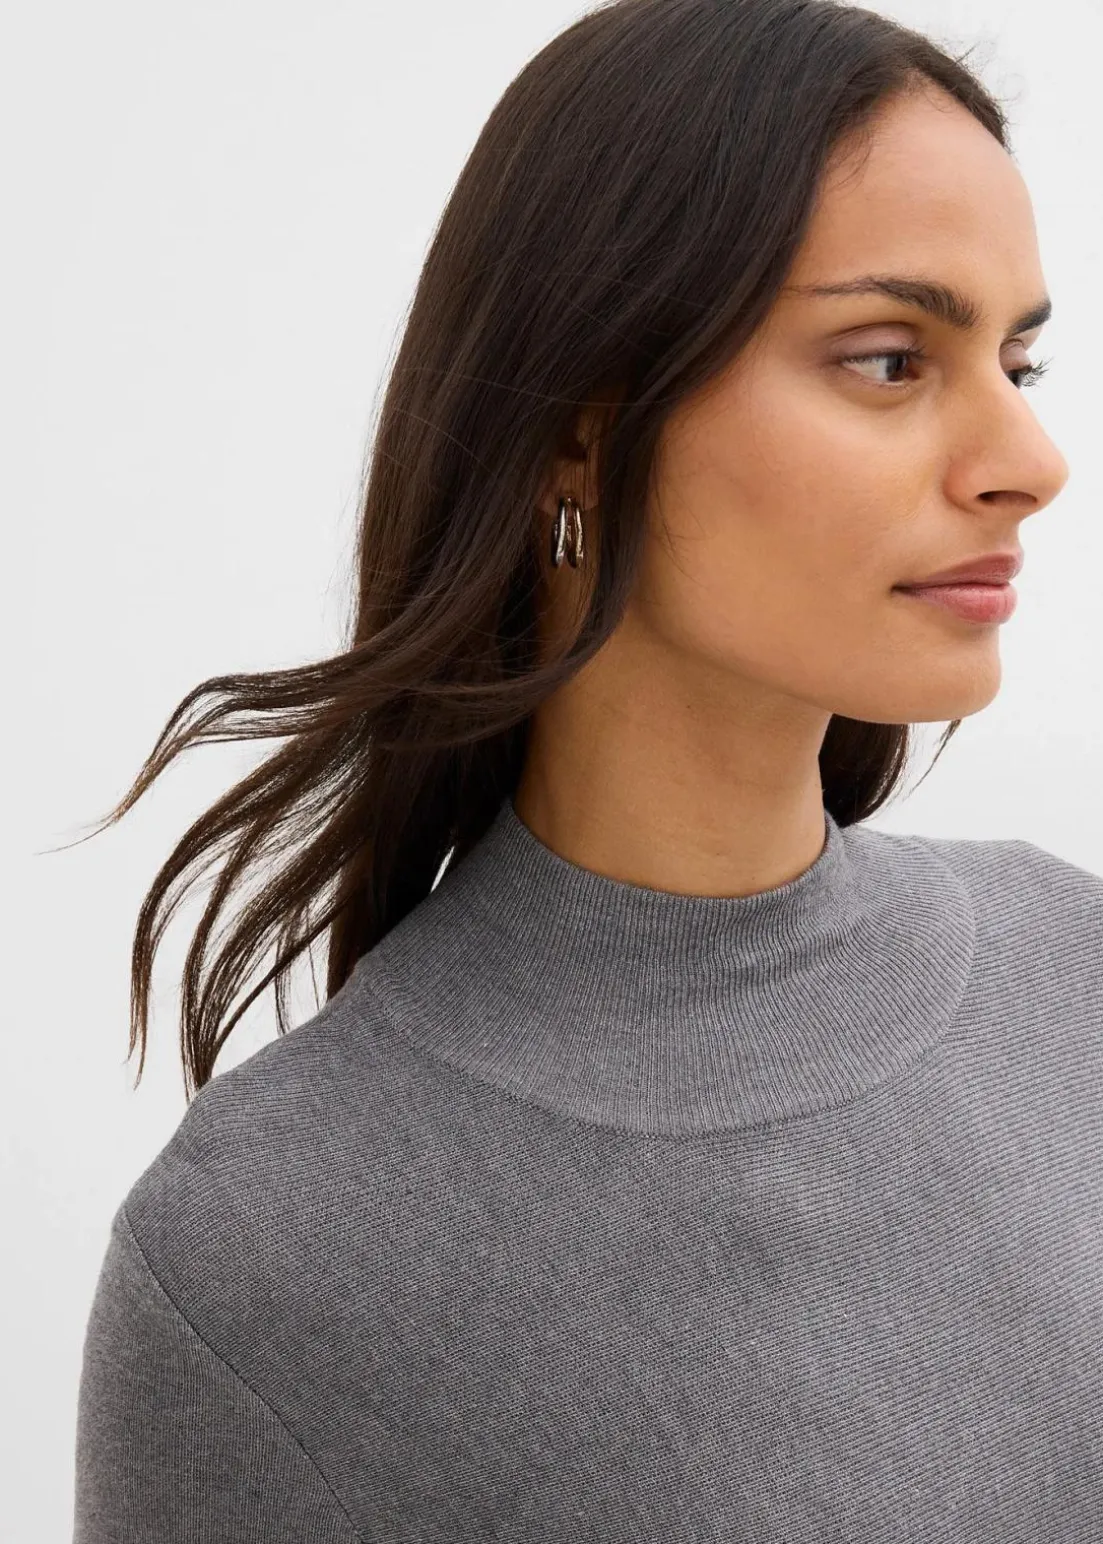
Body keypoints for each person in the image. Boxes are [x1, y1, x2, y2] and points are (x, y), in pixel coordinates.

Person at [72, 0, 1099, 1539]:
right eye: (891, 359)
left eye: (1016, 361)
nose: (1028, 459)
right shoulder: (270, 1254)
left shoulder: (1072, 973)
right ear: (576, 427)